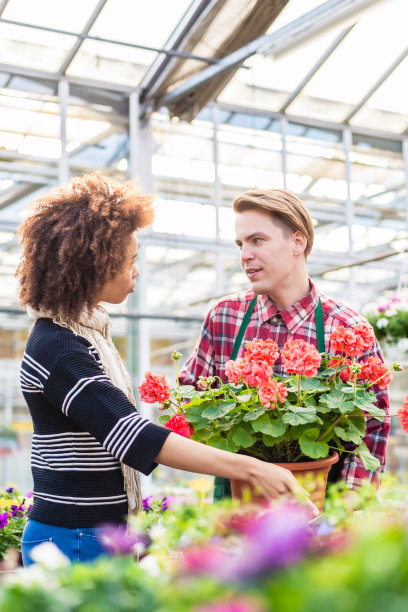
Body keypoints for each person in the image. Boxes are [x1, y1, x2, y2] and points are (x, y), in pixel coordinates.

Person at [16, 174, 308, 567]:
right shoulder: (59, 348)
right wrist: (253, 468)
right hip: (76, 538)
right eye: (130, 261)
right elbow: (131, 437)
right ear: (94, 265)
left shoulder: (85, 333)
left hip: (95, 533)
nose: (136, 272)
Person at [179, 189, 390, 499]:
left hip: (319, 510)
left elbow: (372, 427)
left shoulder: (347, 328)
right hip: (237, 505)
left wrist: (348, 506)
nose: (244, 255)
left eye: (257, 240)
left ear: (297, 241)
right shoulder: (224, 316)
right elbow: (191, 401)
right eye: (241, 244)